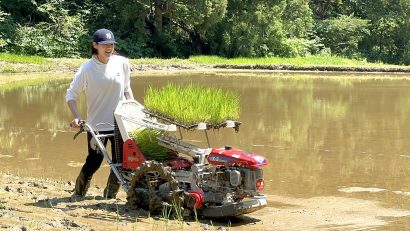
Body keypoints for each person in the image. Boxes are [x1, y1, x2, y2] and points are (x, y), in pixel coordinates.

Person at [66, 28, 134, 199]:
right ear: (95, 45)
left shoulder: (123, 63)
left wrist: (133, 110)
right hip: (96, 125)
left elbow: (127, 89)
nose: (109, 47)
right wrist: (77, 116)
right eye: (105, 45)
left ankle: (109, 197)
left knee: (121, 163)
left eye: (111, 44)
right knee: (94, 162)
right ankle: (79, 192)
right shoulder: (87, 69)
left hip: (120, 124)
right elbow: (71, 95)